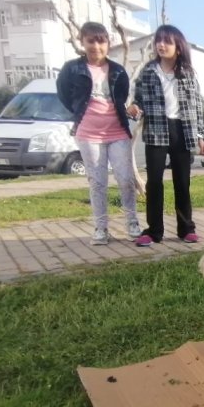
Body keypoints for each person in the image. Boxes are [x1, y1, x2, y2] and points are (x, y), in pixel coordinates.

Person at [56, 21, 141, 246]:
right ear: (82, 42)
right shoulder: (71, 69)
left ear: (108, 43)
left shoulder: (118, 70)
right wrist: (80, 112)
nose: (96, 46)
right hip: (88, 134)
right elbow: (64, 95)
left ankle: (132, 223)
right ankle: (101, 228)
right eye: (91, 41)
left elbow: (122, 97)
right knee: (97, 183)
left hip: (117, 132)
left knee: (126, 179)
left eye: (101, 41)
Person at [127, 24, 204, 247]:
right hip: (156, 130)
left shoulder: (188, 74)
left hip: (182, 131)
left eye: (167, 41)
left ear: (178, 47)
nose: (161, 45)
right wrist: (135, 109)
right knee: (154, 183)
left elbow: (197, 107)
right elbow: (139, 101)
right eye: (158, 41)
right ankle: (154, 231)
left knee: (182, 182)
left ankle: (186, 229)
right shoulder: (148, 71)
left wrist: (201, 136)